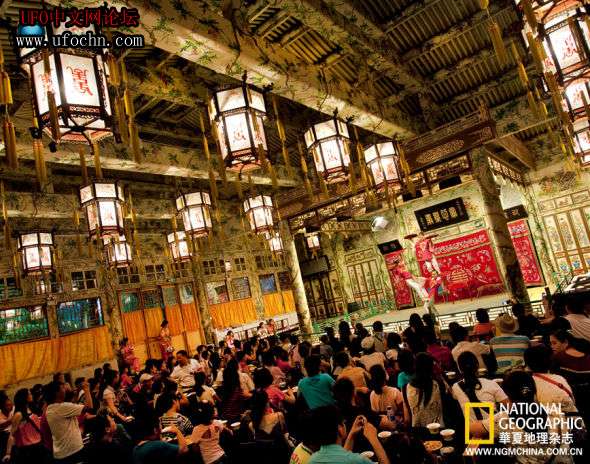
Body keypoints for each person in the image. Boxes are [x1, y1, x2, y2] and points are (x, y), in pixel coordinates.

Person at [307, 406, 390, 464]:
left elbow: (340, 458)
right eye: (343, 422)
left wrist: (352, 434)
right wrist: (373, 438)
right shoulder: (355, 460)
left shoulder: (312, 460)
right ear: (339, 429)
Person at [45, 379, 93, 463]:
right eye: (63, 388)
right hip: (72, 451)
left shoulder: (50, 408)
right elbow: (89, 407)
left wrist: (77, 392)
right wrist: (86, 389)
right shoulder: (61, 407)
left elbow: (72, 405)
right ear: (57, 393)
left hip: (62, 452)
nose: (65, 390)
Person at [452, 351, 507, 423]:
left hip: (472, 429)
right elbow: (509, 407)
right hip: (492, 427)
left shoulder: (456, 387)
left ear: (460, 369)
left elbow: (455, 396)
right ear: (477, 365)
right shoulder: (491, 384)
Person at [524, 345, 577, 414]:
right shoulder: (560, 379)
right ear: (551, 362)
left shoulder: (527, 383)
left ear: (527, 365)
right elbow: (571, 402)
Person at [3, 388, 49, 464]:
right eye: (29, 394)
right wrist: (8, 453)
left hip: (38, 445)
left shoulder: (30, 409)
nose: (31, 395)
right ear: (24, 397)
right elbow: (12, 434)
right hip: (28, 449)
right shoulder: (19, 414)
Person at [402, 353, 445, 428]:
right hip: (438, 429)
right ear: (431, 367)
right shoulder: (438, 384)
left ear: (414, 366)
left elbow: (407, 419)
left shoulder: (405, 388)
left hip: (418, 432)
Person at [0, 392, 13, 460]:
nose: (10, 406)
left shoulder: (14, 410)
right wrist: (11, 421)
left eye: (10, 404)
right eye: (7, 405)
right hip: (4, 439)